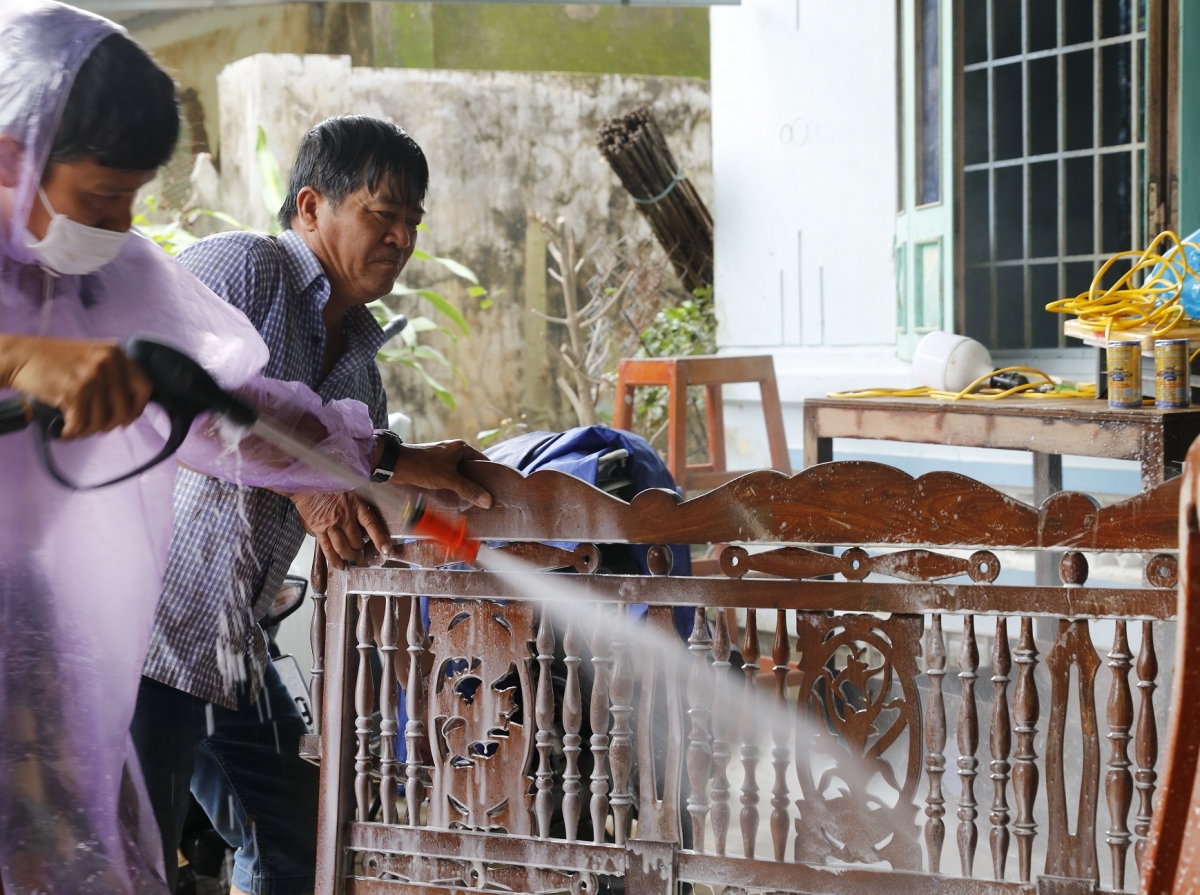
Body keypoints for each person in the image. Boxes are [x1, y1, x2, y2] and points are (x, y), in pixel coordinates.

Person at [0, 6, 485, 894]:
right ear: (11, 154)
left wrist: (387, 461)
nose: (120, 220)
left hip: (81, 635)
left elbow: (236, 408)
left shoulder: (116, 275)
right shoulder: (247, 267)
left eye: (133, 196)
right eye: (100, 196)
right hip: (140, 633)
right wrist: (23, 358)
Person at [130, 116, 491, 895]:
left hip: (232, 650)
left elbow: (351, 467)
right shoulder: (245, 269)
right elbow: (158, 392)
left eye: (411, 223)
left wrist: (421, 490)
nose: (400, 238)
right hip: (141, 633)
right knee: (133, 858)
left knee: (300, 839)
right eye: (380, 214)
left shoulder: (360, 359)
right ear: (309, 208)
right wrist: (309, 485)